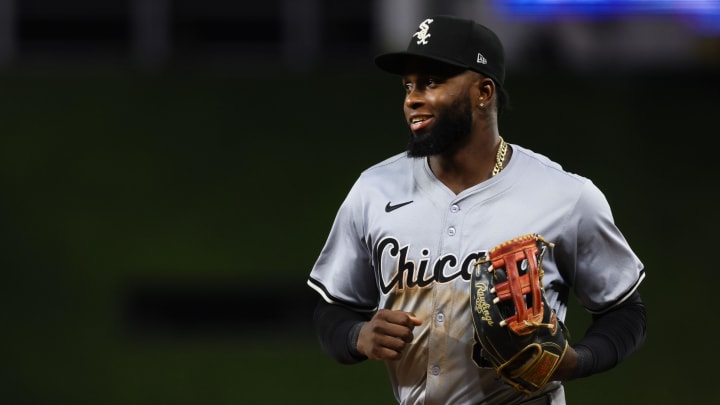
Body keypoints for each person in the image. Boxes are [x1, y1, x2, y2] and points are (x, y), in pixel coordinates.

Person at [306, 14, 646, 405]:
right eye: (408, 85)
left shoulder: (566, 196)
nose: (412, 98)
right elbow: (333, 310)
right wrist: (357, 336)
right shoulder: (373, 190)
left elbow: (625, 312)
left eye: (432, 82)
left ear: (484, 92)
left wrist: (575, 361)